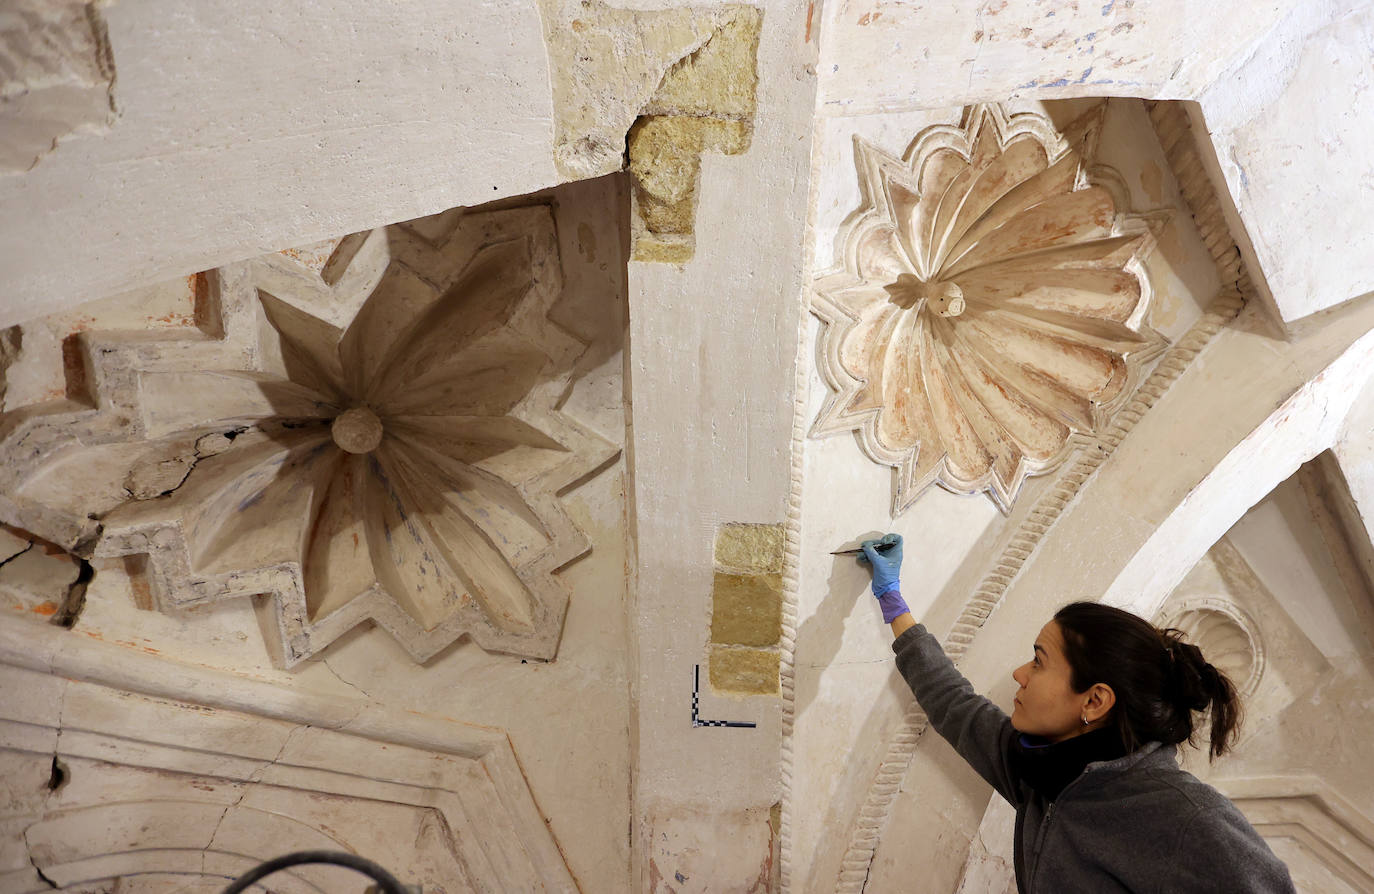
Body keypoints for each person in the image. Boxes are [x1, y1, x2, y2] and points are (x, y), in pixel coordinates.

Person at [857, 532, 1295, 894]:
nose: (1019, 674)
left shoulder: (1186, 815)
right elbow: (952, 702)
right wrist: (892, 600)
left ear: (1094, 701)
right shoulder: (1040, 769)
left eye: (1039, 661)